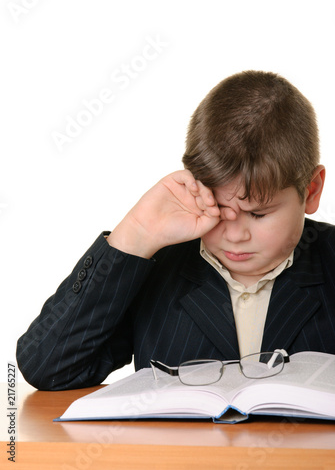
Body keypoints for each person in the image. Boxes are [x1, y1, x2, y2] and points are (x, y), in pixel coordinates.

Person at [16, 70, 335, 391]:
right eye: (219, 209)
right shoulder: (156, 267)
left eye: (258, 213)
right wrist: (135, 234)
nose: (235, 234)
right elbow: (48, 367)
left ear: (311, 190)